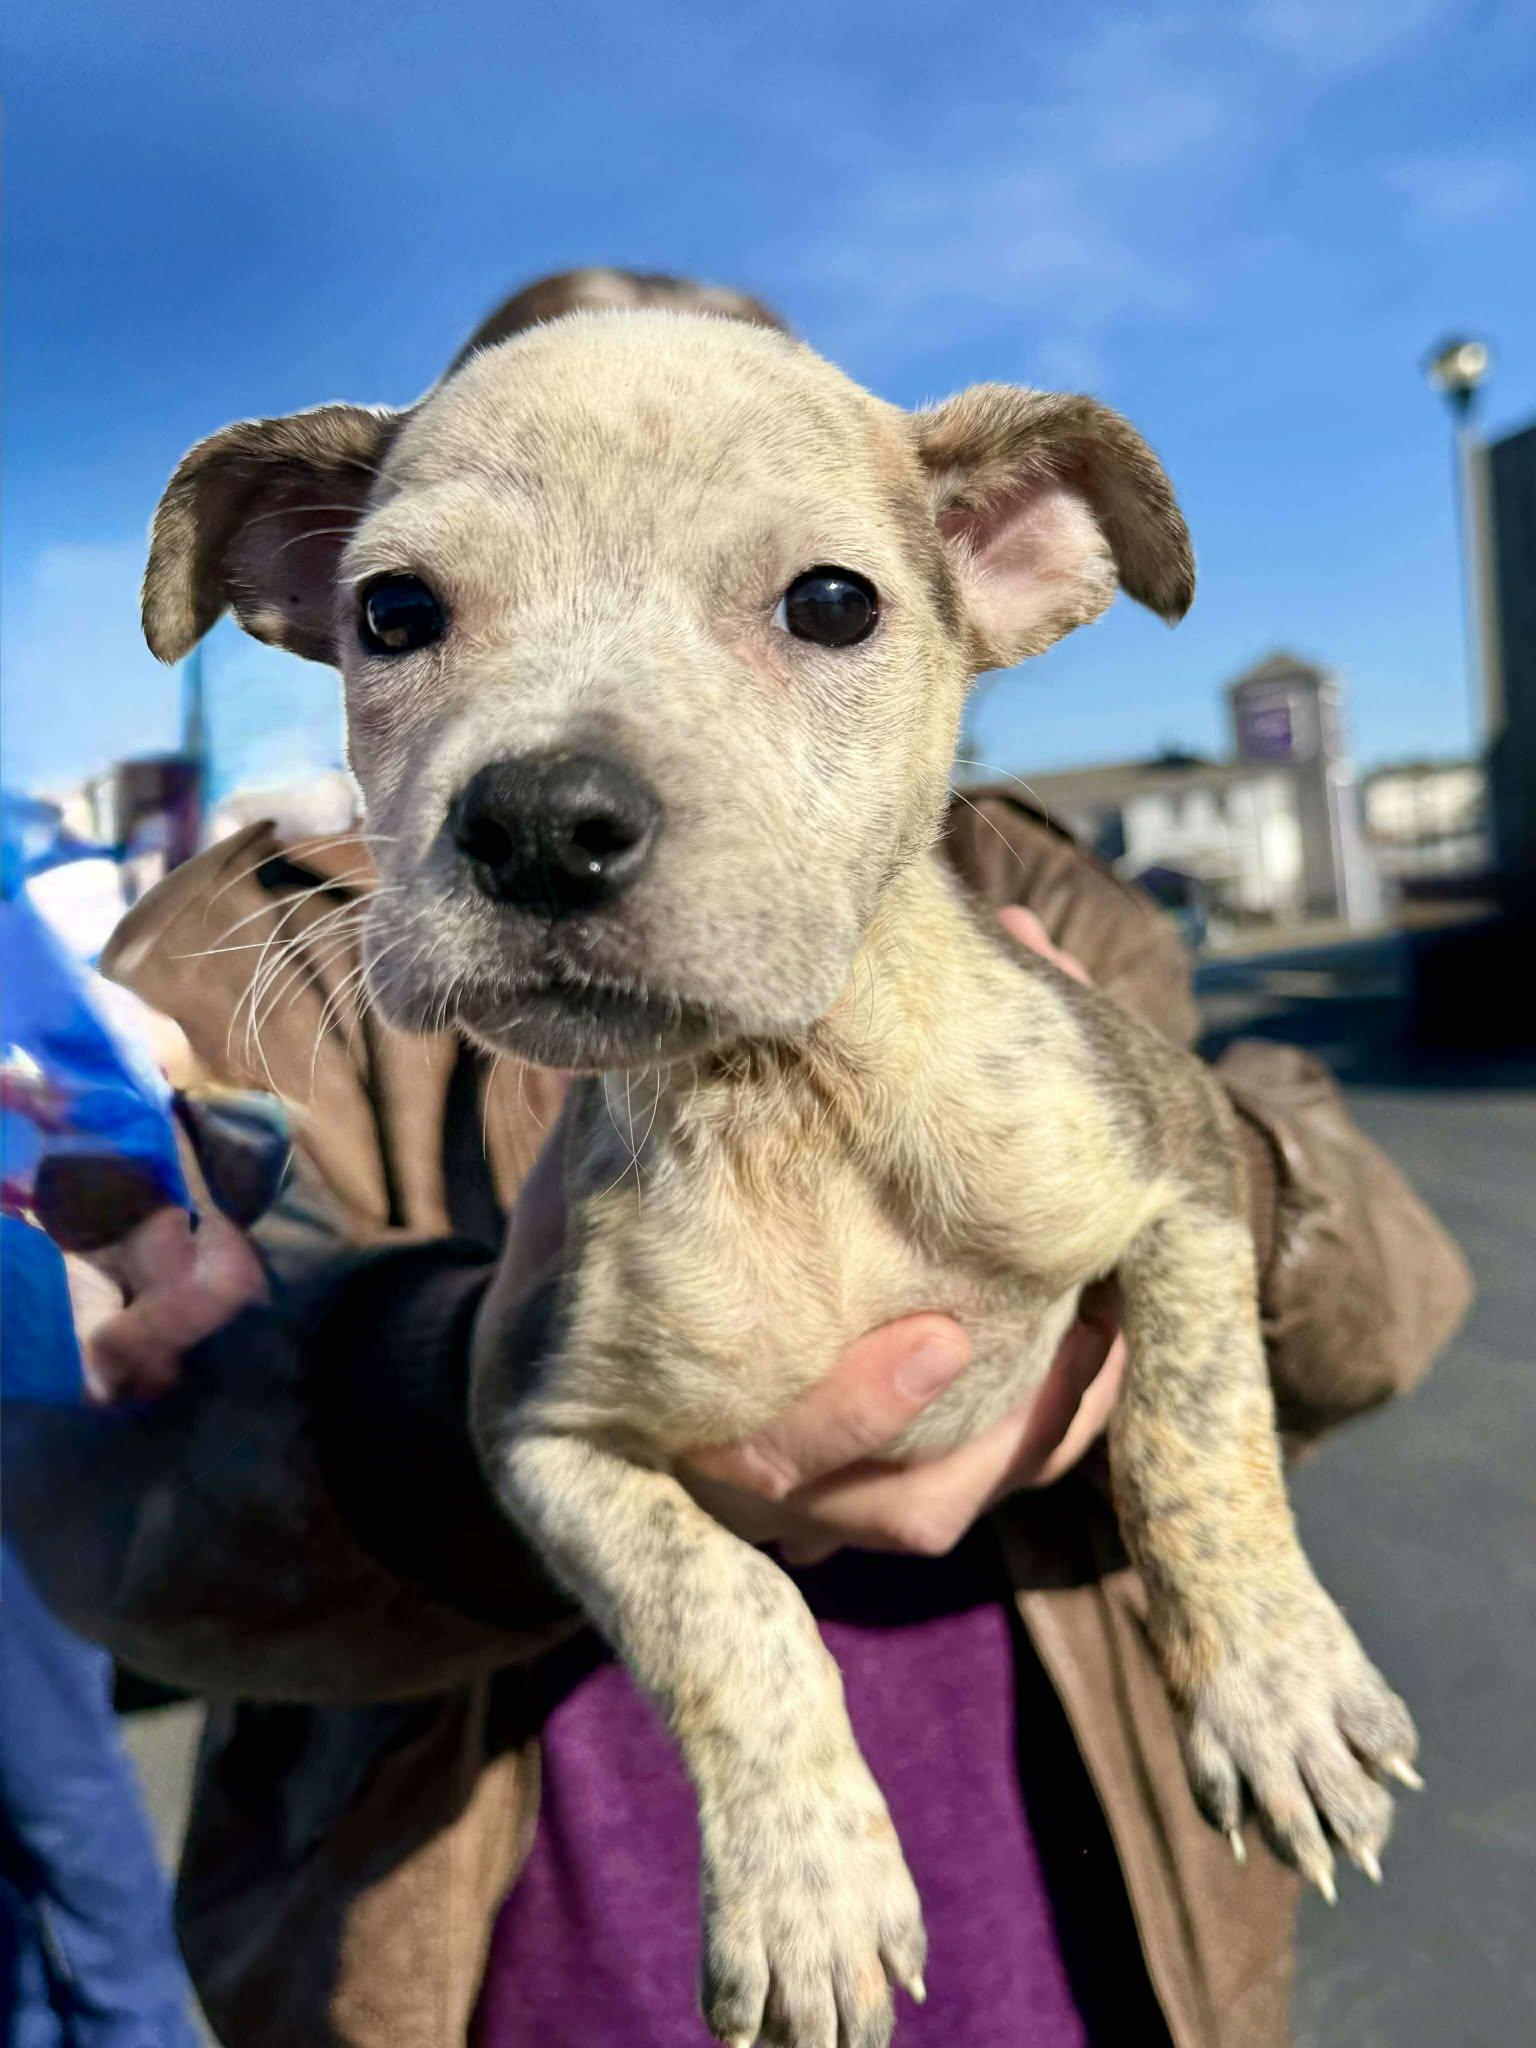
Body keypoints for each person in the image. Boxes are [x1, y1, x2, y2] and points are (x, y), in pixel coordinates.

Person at [3, 270, 1473, 2048]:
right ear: (303, 575)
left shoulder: (1050, 900)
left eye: (818, 603)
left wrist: (1226, 1552)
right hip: (487, 1952)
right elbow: (98, 1526)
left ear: (1001, 553)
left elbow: (1314, 1270)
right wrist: (425, 1400)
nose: (556, 786)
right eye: (413, 614)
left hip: (1072, 1912)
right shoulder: (235, 973)